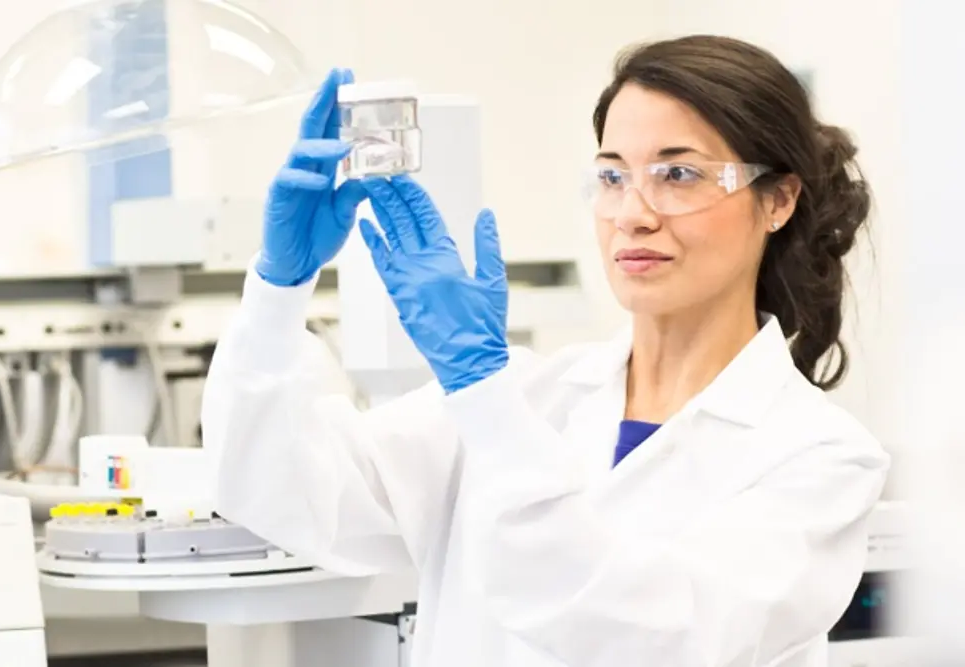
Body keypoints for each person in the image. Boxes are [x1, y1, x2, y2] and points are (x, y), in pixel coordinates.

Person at [202, 35, 890, 667]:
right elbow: (277, 489)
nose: (633, 213)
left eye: (678, 175)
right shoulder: (532, 395)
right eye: (613, 175)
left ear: (778, 200)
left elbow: (639, 636)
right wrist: (276, 287)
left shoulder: (819, 460)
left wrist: (480, 388)